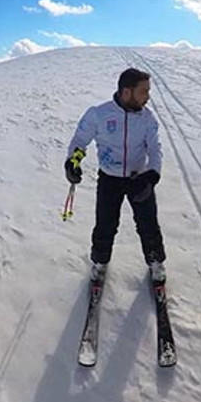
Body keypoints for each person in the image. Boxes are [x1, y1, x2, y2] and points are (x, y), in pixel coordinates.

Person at [64, 68, 167, 283]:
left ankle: (156, 262)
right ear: (126, 92)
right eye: (144, 92)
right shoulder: (98, 114)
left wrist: (152, 176)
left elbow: (155, 149)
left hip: (139, 179)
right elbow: (79, 141)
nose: (148, 97)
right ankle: (100, 262)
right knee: (105, 224)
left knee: (148, 225)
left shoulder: (148, 119)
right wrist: (72, 162)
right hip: (109, 179)